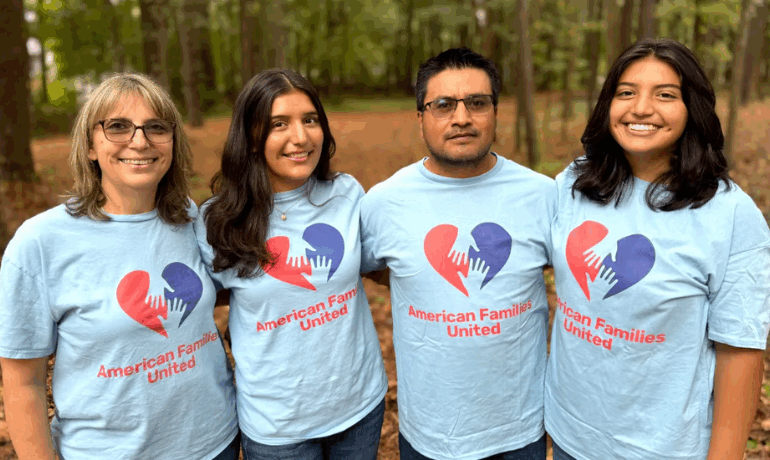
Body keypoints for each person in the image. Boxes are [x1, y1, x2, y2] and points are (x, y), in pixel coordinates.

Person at [545, 38, 770, 460]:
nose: (641, 108)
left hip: (662, 449)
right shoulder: (575, 184)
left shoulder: (730, 215)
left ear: (693, 108)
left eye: (665, 95)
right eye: (626, 92)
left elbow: (740, 351)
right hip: (570, 434)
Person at [0, 73, 239, 460]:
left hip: (215, 444)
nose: (140, 141)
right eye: (118, 127)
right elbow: (22, 382)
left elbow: (229, 288)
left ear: (173, 142)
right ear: (90, 146)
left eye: (156, 127)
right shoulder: (41, 243)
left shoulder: (188, 218)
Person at [360, 48, 556, 460]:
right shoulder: (384, 203)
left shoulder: (543, 196)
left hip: (520, 429)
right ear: (420, 117)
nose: (462, 117)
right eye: (444, 104)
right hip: (430, 433)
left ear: (496, 112)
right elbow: (374, 269)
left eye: (477, 103)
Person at [194, 69, 387, 460]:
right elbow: (204, 303)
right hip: (278, 427)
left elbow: (377, 266)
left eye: (310, 120)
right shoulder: (217, 221)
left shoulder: (346, 194)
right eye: (278, 124)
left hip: (360, 407)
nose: (300, 137)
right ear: (251, 137)